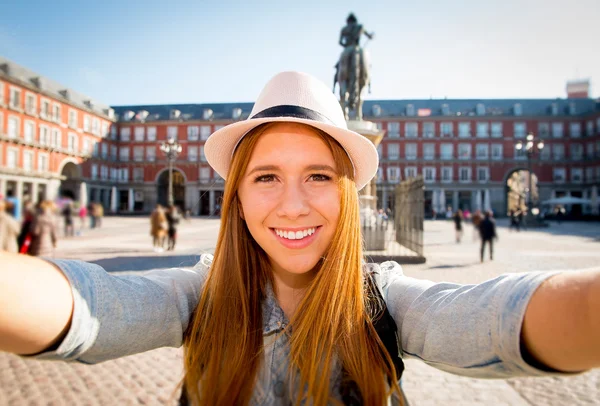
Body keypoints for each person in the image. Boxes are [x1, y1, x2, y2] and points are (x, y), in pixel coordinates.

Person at [1, 72, 600, 406]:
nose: (292, 202)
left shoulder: (387, 304)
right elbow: (90, 307)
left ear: (347, 193)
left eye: (318, 175)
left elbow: (496, 317)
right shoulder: (198, 294)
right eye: (266, 177)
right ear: (235, 194)